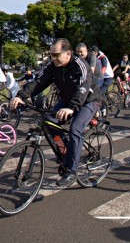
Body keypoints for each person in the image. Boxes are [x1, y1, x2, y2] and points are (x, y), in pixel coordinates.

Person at [10, 38, 101, 187]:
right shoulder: (53, 66)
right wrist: (21, 96)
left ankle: (72, 171)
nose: (53, 58)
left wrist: (71, 107)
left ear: (68, 53)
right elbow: (38, 82)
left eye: (56, 54)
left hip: (89, 100)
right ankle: (66, 153)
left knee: (75, 129)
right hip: (67, 99)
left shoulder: (80, 65)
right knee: (49, 122)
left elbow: (83, 88)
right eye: (51, 55)